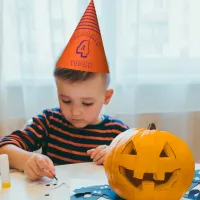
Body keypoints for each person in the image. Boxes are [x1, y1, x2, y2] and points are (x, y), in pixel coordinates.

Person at [0, 0, 129, 181]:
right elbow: (4, 147)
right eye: (66, 100)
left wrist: (117, 157)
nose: (75, 111)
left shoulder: (118, 132)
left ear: (106, 97)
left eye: (87, 103)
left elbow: (142, 163)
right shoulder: (49, 122)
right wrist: (28, 160)